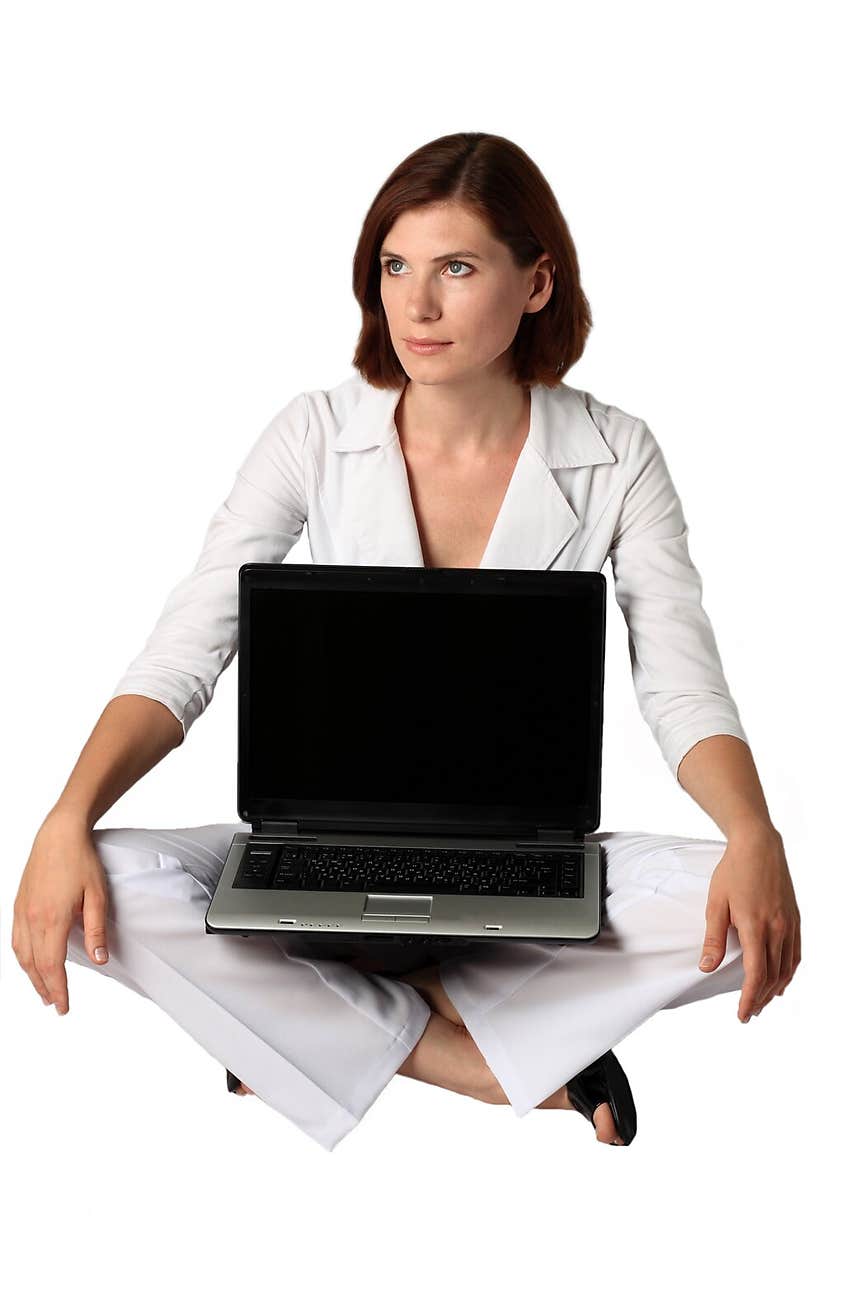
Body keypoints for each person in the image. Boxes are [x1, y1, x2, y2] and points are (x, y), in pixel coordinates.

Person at [12, 131, 801, 1153]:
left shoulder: (616, 453)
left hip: (522, 863)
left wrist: (755, 835)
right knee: (94, 886)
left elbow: (682, 685)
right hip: (324, 853)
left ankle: (323, 1015)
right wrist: (67, 813)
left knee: (746, 918)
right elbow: (184, 651)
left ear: (535, 282)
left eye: (456, 268)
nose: (415, 306)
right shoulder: (312, 432)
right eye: (395, 267)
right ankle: (470, 1052)